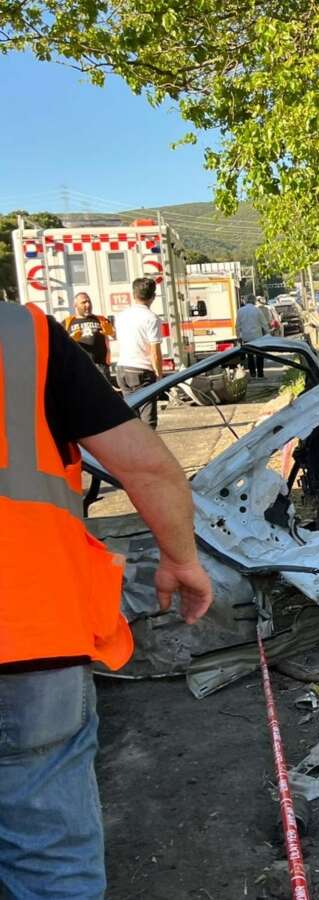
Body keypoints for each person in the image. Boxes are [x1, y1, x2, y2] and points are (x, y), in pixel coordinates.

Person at [0, 301, 213, 898]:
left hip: (32, 638)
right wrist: (181, 561)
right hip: (30, 635)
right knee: (49, 860)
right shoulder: (23, 336)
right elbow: (148, 469)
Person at [113, 277, 163, 429]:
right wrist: (159, 375)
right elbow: (154, 351)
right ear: (153, 296)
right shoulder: (151, 318)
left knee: (132, 418)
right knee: (148, 420)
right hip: (142, 371)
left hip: (122, 368)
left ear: (133, 295)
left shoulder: (121, 316)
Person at [63, 293, 115, 374]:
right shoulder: (67, 323)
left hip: (100, 368)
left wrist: (112, 333)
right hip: (77, 368)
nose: (88, 305)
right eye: (84, 302)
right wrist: (70, 340)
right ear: (75, 305)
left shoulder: (101, 320)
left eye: (89, 302)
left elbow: (119, 336)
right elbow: (60, 347)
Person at [235, 297, 267, 378]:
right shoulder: (257, 310)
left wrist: (238, 336)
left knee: (250, 356)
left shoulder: (240, 311)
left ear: (246, 301)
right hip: (257, 337)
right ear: (254, 301)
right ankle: (260, 373)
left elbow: (237, 326)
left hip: (246, 337)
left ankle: (252, 373)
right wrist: (267, 334)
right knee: (259, 355)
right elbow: (264, 324)